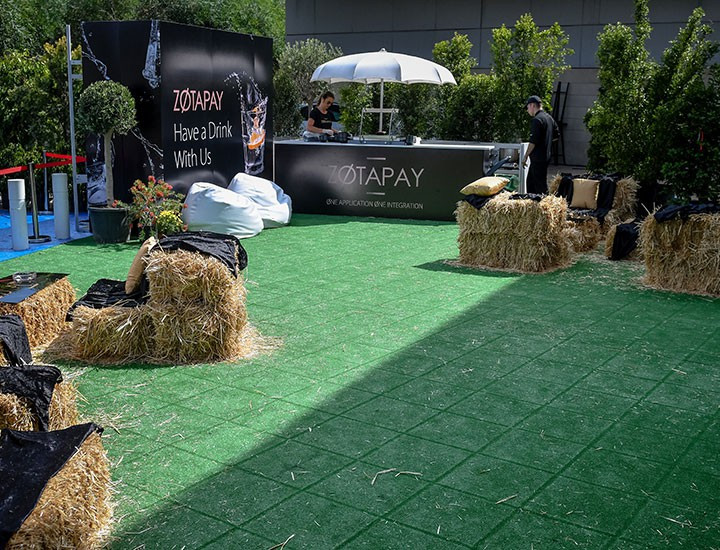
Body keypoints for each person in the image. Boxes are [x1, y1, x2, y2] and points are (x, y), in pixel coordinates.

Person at [522, 95, 558, 194]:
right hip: (546, 156)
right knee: (531, 183)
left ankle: (544, 201)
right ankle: (533, 201)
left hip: (538, 158)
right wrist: (546, 143)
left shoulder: (537, 120)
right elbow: (556, 135)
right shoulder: (549, 118)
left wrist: (525, 156)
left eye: (527, 107)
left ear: (532, 105)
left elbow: (533, 142)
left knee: (539, 185)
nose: (527, 110)